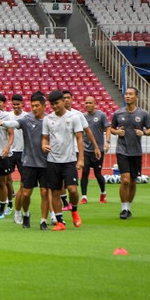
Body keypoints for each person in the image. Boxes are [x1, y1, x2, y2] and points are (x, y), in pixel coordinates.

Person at [0, 92, 49, 229]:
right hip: (29, 162)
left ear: (44, 106)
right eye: (33, 106)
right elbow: (14, 123)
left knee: (44, 192)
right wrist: (3, 124)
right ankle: (26, 214)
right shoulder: (27, 119)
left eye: (37, 105)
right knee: (26, 193)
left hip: (45, 162)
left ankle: (43, 220)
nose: (35, 108)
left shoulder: (49, 121)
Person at [41, 90, 84, 231]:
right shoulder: (48, 119)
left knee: (72, 189)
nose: (55, 106)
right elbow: (45, 137)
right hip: (53, 160)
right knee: (55, 191)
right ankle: (60, 222)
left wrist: (81, 159)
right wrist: (44, 144)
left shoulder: (73, 117)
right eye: (52, 104)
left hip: (70, 159)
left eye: (57, 103)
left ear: (63, 101)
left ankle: (75, 210)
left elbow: (79, 138)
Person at [110, 87, 150, 219]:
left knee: (133, 182)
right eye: (126, 94)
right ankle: (123, 208)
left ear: (136, 97)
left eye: (130, 94)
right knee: (125, 180)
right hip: (122, 150)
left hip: (136, 152)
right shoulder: (118, 113)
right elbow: (111, 128)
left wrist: (144, 132)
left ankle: (128, 208)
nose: (127, 96)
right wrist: (117, 132)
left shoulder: (143, 114)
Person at [59, 90, 101, 212]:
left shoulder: (77, 115)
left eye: (68, 98)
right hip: (61, 151)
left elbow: (87, 131)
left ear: (72, 99)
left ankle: (72, 203)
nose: (66, 100)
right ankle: (65, 202)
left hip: (75, 151)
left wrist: (96, 146)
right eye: (64, 98)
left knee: (71, 180)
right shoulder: (56, 115)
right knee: (60, 180)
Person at [80, 96, 111, 204]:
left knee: (98, 173)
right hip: (85, 149)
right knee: (84, 173)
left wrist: (107, 142)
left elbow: (107, 128)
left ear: (95, 104)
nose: (87, 105)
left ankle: (103, 192)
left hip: (98, 150)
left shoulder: (101, 115)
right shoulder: (82, 117)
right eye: (86, 103)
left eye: (90, 103)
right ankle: (84, 196)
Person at [9, 94, 28, 224]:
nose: (16, 106)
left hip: (23, 152)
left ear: (22, 104)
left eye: (18, 104)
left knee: (24, 182)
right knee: (5, 179)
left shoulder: (27, 117)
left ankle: (18, 209)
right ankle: (9, 202)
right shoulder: (8, 116)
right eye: (14, 104)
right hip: (10, 151)